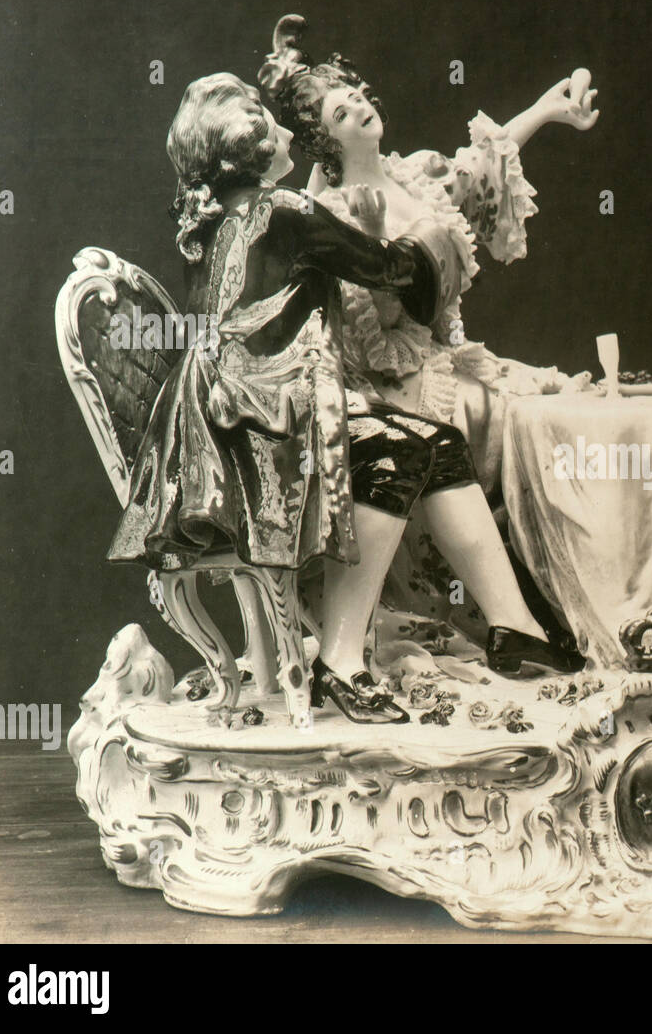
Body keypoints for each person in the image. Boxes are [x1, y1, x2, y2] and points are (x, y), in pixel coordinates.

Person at [110, 74, 580, 726]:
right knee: (398, 449)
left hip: (221, 423)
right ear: (251, 146)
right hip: (259, 427)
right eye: (272, 129)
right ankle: (341, 658)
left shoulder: (213, 217)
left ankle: (512, 622)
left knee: (438, 443)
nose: (284, 137)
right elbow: (392, 271)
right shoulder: (288, 211)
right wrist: (429, 236)